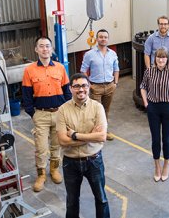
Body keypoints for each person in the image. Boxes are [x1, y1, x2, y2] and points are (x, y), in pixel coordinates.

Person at [56, 73, 110, 218]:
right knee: (72, 201)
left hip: (94, 160)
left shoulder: (97, 107)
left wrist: (75, 135)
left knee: (101, 199)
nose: (81, 89)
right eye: (77, 86)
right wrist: (90, 137)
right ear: (71, 88)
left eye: (84, 85)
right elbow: (62, 140)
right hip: (70, 163)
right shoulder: (62, 111)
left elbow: (102, 136)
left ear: (89, 87)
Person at [22, 36, 71, 192]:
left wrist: (67, 112)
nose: (45, 49)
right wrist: (33, 114)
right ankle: (41, 175)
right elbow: (26, 96)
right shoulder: (29, 70)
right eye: (41, 46)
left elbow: (67, 93)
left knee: (57, 145)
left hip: (59, 114)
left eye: (47, 46)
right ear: (36, 49)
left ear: (51, 49)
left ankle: (54, 170)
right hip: (41, 115)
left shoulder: (60, 68)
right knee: (41, 148)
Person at [140, 48, 169, 182]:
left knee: (166, 139)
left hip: (168, 108)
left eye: (163, 57)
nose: (161, 60)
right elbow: (143, 87)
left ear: (167, 59)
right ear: (155, 58)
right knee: (155, 139)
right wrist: (146, 103)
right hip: (153, 108)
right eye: (158, 57)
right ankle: (157, 166)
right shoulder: (149, 72)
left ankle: (166, 166)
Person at [81, 29, 119, 141]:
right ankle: (95, 132)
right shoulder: (89, 54)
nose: (103, 39)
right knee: (96, 111)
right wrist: (88, 85)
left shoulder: (112, 54)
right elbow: (83, 70)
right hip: (95, 87)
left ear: (108, 39)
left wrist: (115, 83)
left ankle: (104, 131)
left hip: (110, 86)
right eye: (101, 37)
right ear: (97, 39)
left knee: (106, 110)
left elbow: (116, 69)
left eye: (105, 37)